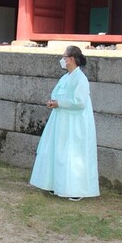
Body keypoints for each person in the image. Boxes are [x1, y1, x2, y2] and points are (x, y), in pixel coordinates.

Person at [29, 46, 99, 201]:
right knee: (58, 151)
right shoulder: (66, 77)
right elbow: (57, 92)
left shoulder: (80, 79)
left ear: (71, 59)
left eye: (64, 57)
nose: (62, 60)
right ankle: (56, 184)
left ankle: (76, 188)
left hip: (74, 121)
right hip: (61, 119)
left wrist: (60, 103)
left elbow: (80, 102)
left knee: (73, 153)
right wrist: (54, 102)